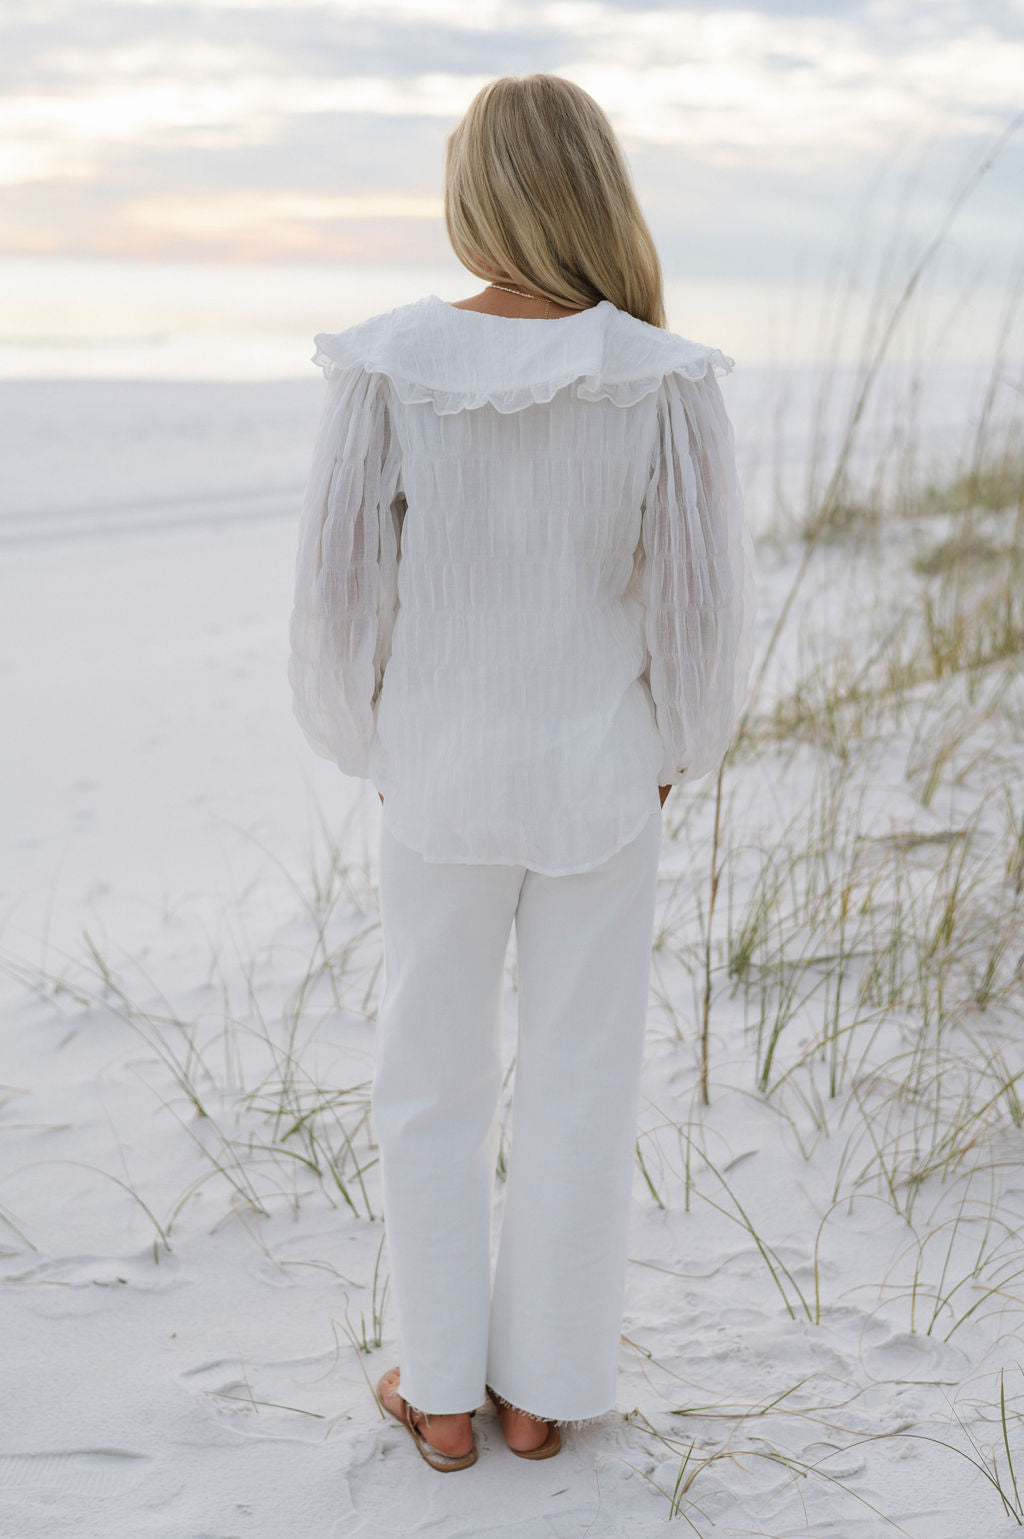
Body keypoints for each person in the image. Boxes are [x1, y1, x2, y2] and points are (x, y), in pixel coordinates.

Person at [288, 72, 755, 1472]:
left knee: (427, 1070)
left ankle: (439, 1392)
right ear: (591, 187)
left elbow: (337, 592)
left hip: (439, 770)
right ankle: (542, 1389)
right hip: (603, 774)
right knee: (581, 1074)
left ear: (475, 191)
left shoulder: (386, 363)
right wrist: (677, 748)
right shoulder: (659, 374)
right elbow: (700, 604)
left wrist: (367, 738)